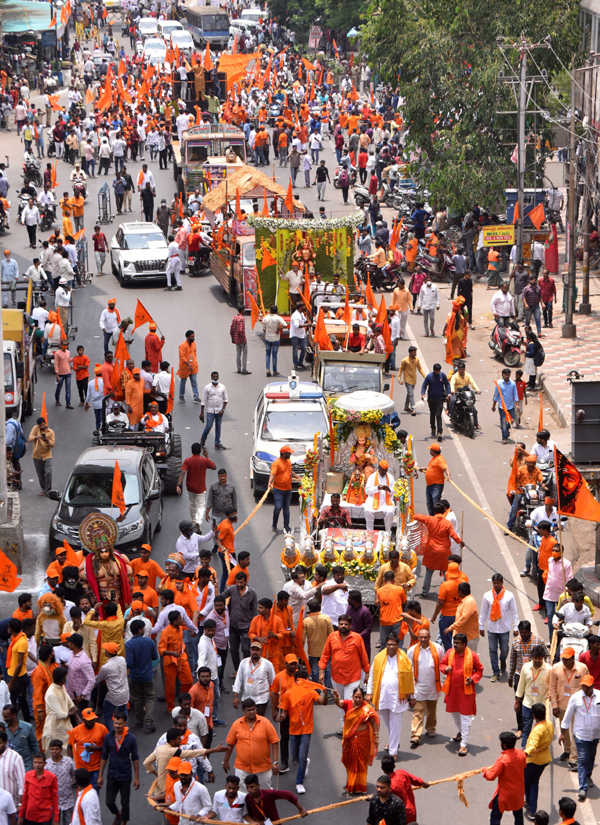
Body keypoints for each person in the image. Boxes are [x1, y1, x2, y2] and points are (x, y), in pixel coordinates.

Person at [276, 661, 328, 794]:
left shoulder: (311, 692)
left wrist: (326, 694)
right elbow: (284, 711)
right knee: (295, 755)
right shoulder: (288, 693)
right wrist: (281, 716)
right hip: (293, 729)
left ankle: (299, 782)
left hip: (306, 729)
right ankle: (303, 762)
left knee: (302, 755)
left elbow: (322, 702)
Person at [319, 615, 370, 731]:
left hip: (353, 677)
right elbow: (325, 655)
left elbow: (364, 656)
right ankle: (344, 726)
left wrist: (367, 673)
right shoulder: (332, 637)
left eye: (346, 624)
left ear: (350, 626)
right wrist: (321, 672)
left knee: (350, 702)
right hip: (336, 677)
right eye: (341, 624)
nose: (343, 626)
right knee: (339, 702)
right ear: (338, 625)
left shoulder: (357, 638)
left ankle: (351, 726)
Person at [366, 635, 413, 759]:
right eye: (389, 644)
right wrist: (369, 692)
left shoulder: (405, 659)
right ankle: (394, 743)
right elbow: (372, 676)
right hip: (382, 696)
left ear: (398, 645)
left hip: (398, 697)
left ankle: (393, 752)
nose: (391, 647)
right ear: (385, 645)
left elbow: (410, 678)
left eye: (394, 644)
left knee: (395, 724)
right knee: (388, 723)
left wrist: (413, 695)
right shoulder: (379, 657)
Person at [440, 633, 484, 756]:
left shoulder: (472, 656)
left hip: (466, 693)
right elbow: (442, 664)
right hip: (452, 691)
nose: (454, 645)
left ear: (464, 644)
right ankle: (461, 733)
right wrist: (445, 669)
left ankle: (464, 744)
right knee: (455, 716)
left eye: (457, 643)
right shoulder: (450, 652)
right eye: (454, 642)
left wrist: (472, 679)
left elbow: (479, 670)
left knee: (465, 718)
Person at [333, 686, 379, 795]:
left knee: (361, 762)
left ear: (363, 698)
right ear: (352, 697)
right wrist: (336, 697)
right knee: (350, 761)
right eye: (356, 697)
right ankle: (352, 782)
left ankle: (359, 785)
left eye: (360, 697)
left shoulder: (367, 708)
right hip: (350, 739)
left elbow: (373, 722)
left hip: (363, 739)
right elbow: (338, 703)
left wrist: (376, 736)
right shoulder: (348, 704)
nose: (357, 700)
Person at [223, 699, 280, 788]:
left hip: (263, 768)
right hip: (242, 767)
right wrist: (226, 761)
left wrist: (275, 762)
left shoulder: (265, 723)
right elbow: (230, 744)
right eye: (249, 710)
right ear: (243, 711)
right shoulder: (237, 724)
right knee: (243, 795)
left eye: (254, 709)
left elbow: (274, 742)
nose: (252, 712)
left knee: (263, 793)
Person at [561, 673, 600, 801]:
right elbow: (567, 716)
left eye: (588, 686)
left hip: (595, 735)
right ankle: (583, 788)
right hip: (581, 735)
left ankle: (588, 776)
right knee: (582, 759)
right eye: (583, 686)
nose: (586, 689)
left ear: (593, 686)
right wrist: (562, 733)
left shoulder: (599, 696)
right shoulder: (575, 698)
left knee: (591, 757)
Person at [549, 647, 590, 770]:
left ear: (573, 658)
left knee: (575, 732)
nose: (564, 661)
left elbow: (586, 686)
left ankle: (573, 758)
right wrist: (554, 706)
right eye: (563, 658)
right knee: (564, 729)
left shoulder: (582, 668)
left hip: (578, 706)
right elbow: (552, 688)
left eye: (567, 659)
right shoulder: (556, 668)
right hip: (562, 704)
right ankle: (567, 750)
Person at [508, 621, 550, 733]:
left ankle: (539, 726)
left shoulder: (539, 640)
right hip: (520, 673)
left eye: (525, 632)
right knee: (519, 700)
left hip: (537, 674)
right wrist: (510, 675)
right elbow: (513, 659)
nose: (523, 635)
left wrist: (548, 670)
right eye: (521, 632)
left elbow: (547, 655)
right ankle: (521, 728)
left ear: (530, 631)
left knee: (538, 699)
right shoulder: (516, 642)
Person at [98, 711, 139, 825]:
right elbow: (104, 756)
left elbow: (135, 758)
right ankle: (118, 814)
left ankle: (123, 822)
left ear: (125, 723)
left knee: (125, 803)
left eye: (120, 723)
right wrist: (100, 775)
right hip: (112, 774)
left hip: (125, 774)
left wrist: (136, 778)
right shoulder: (108, 737)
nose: (117, 726)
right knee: (109, 801)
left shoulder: (131, 739)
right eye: (115, 723)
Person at [414, 503, 463, 599]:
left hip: (432, 550)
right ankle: (446, 592)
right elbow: (453, 535)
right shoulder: (447, 523)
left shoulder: (429, 519)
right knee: (446, 572)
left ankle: (425, 591)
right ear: (444, 511)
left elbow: (416, 516)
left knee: (429, 572)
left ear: (435, 511)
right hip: (444, 551)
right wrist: (460, 542)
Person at [479, 574, 520, 683]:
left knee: (504, 650)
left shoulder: (509, 596)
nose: (496, 585)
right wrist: (481, 625)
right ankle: (496, 672)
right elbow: (483, 611)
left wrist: (516, 627)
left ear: (502, 583)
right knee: (492, 650)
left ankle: (502, 661)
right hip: (492, 628)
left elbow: (514, 613)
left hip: (504, 628)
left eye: (498, 583)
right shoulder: (487, 596)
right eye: (494, 583)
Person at [482, 731, 527, 825]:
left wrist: (485, 770)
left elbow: (491, 776)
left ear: (504, 745)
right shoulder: (521, 754)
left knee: (495, 818)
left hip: (504, 794)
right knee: (518, 815)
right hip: (518, 793)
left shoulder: (502, 760)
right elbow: (523, 765)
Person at [125, 620, 158, 733]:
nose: (144, 630)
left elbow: (128, 663)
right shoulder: (149, 642)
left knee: (137, 698)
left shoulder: (128, 644)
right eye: (143, 628)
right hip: (148, 675)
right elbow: (154, 657)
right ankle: (149, 721)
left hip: (134, 676)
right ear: (140, 630)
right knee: (149, 697)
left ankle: (139, 720)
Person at [523, 702, 554, 821]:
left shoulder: (537, 730)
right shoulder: (549, 724)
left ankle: (531, 808)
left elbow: (532, 745)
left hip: (533, 760)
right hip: (544, 759)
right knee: (534, 782)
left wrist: (524, 753)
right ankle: (529, 804)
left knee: (528, 781)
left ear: (534, 715)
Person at [159, 612, 193, 713]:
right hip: (170, 662)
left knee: (189, 681)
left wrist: (185, 652)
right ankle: (170, 707)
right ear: (174, 621)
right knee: (170, 686)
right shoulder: (165, 632)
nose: (182, 619)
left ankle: (181, 701)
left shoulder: (180, 628)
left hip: (181, 659)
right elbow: (160, 649)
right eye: (179, 618)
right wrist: (171, 653)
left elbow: (181, 642)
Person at [67, 708, 108, 789]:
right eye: (89, 720)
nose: (92, 722)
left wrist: (95, 748)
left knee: (94, 792)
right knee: (82, 793)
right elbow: (69, 747)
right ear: (83, 720)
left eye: (93, 719)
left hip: (96, 768)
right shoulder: (75, 731)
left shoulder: (102, 728)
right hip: (81, 769)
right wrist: (71, 762)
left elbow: (109, 746)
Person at [232, 640, 275, 717]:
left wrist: (276, 700)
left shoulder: (268, 664)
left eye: (257, 650)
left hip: (261, 700)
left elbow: (274, 682)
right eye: (253, 650)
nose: (255, 652)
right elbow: (238, 680)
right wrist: (235, 696)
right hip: (247, 698)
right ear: (250, 651)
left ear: (261, 651)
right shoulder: (243, 663)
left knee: (259, 721)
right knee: (247, 721)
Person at [18, 752, 59, 825]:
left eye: (40, 762)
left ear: (45, 763)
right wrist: (21, 815)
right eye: (35, 762)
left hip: (44, 817)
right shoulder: (27, 775)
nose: (37, 765)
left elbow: (54, 798)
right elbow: (25, 796)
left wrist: (56, 818)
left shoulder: (52, 777)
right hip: (30, 816)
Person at [268, 446, 300, 535]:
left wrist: (298, 477)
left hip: (288, 489)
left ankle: (286, 526)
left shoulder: (288, 462)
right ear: (284, 453)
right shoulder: (276, 463)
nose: (290, 454)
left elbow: (290, 472)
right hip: (278, 489)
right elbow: (272, 474)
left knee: (286, 508)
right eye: (289, 453)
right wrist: (269, 484)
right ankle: (274, 524)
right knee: (278, 507)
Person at [46, 739, 76, 825]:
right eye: (52, 749)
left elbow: (74, 775)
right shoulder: (47, 764)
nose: (54, 751)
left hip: (68, 800)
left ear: (61, 749)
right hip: (53, 802)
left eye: (56, 749)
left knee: (69, 823)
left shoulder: (68, 761)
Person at [364, 460, 396, 532]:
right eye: (382, 470)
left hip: (386, 502)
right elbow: (367, 490)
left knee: (390, 512)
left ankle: (388, 532)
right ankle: (369, 532)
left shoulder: (390, 477)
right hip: (373, 501)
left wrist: (388, 489)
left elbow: (395, 491)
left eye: (385, 471)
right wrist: (377, 488)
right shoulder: (372, 477)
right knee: (368, 511)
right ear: (378, 468)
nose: (383, 472)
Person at [200, 371, 228, 451]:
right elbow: (203, 401)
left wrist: (222, 409)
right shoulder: (207, 388)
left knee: (218, 427)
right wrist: (202, 413)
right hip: (210, 411)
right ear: (211, 378)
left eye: (216, 376)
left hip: (219, 411)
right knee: (208, 426)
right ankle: (202, 441)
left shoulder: (222, 387)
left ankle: (217, 443)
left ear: (218, 377)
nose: (215, 378)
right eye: (214, 377)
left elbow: (225, 399)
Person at [421, 364, 450, 441]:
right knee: (432, 414)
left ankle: (439, 432)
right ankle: (433, 428)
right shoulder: (429, 376)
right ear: (433, 370)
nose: (437, 372)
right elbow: (424, 386)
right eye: (436, 371)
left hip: (439, 399)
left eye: (438, 371)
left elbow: (447, 385)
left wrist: (448, 394)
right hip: (431, 399)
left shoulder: (442, 375)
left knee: (438, 415)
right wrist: (423, 394)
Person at [28, 417, 54, 496]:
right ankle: (43, 488)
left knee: (48, 472)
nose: (41, 427)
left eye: (42, 425)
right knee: (40, 473)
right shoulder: (35, 429)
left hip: (47, 455)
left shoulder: (50, 432)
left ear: (45, 423)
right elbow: (30, 438)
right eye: (40, 425)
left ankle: (48, 490)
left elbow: (53, 444)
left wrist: (47, 440)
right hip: (37, 455)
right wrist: (37, 437)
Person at [493, 368, 519, 444]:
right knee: (503, 422)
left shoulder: (513, 384)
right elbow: (496, 396)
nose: (507, 376)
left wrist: (517, 405)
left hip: (511, 405)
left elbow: (515, 394)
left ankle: (506, 429)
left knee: (513, 419)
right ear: (502, 375)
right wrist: (494, 406)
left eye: (509, 375)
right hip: (502, 406)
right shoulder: (499, 383)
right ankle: (504, 437)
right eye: (506, 375)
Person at [397, 346, 426, 416]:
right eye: (414, 352)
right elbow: (400, 369)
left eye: (415, 352)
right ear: (410, 352)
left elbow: (420, 369)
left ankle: (406, 407)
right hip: (407, 379)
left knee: (409, 393)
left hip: (413, 379)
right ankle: (414, 409)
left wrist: (425, 376)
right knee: (411, 394)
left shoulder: (417, 360)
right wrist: (399, 378)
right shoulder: (405, 360)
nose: (415, 353)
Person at [261, 306, 287, 377]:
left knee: (267, 354)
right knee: (274, 355)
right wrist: (279, 328)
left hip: (268, 338)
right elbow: (285, 324)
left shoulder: (265, 318)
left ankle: (268, 370)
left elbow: (264, 329)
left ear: (270, 310)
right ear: (276, 311)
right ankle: (274, 370)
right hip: (276, 338)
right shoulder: (278, 318)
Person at [177, 331, 199, 403]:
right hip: (185, 367)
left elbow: (194, 353)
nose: (193, 338)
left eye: (194, 336)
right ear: (188, 337)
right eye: (192, 337)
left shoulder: (194, 344)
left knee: (194, 382)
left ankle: (196, 397)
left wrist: (194, 362)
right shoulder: (182, 345)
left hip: (193, 366)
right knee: (183, 382)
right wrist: (188, 364)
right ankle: (181, 396)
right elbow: (182, 357)